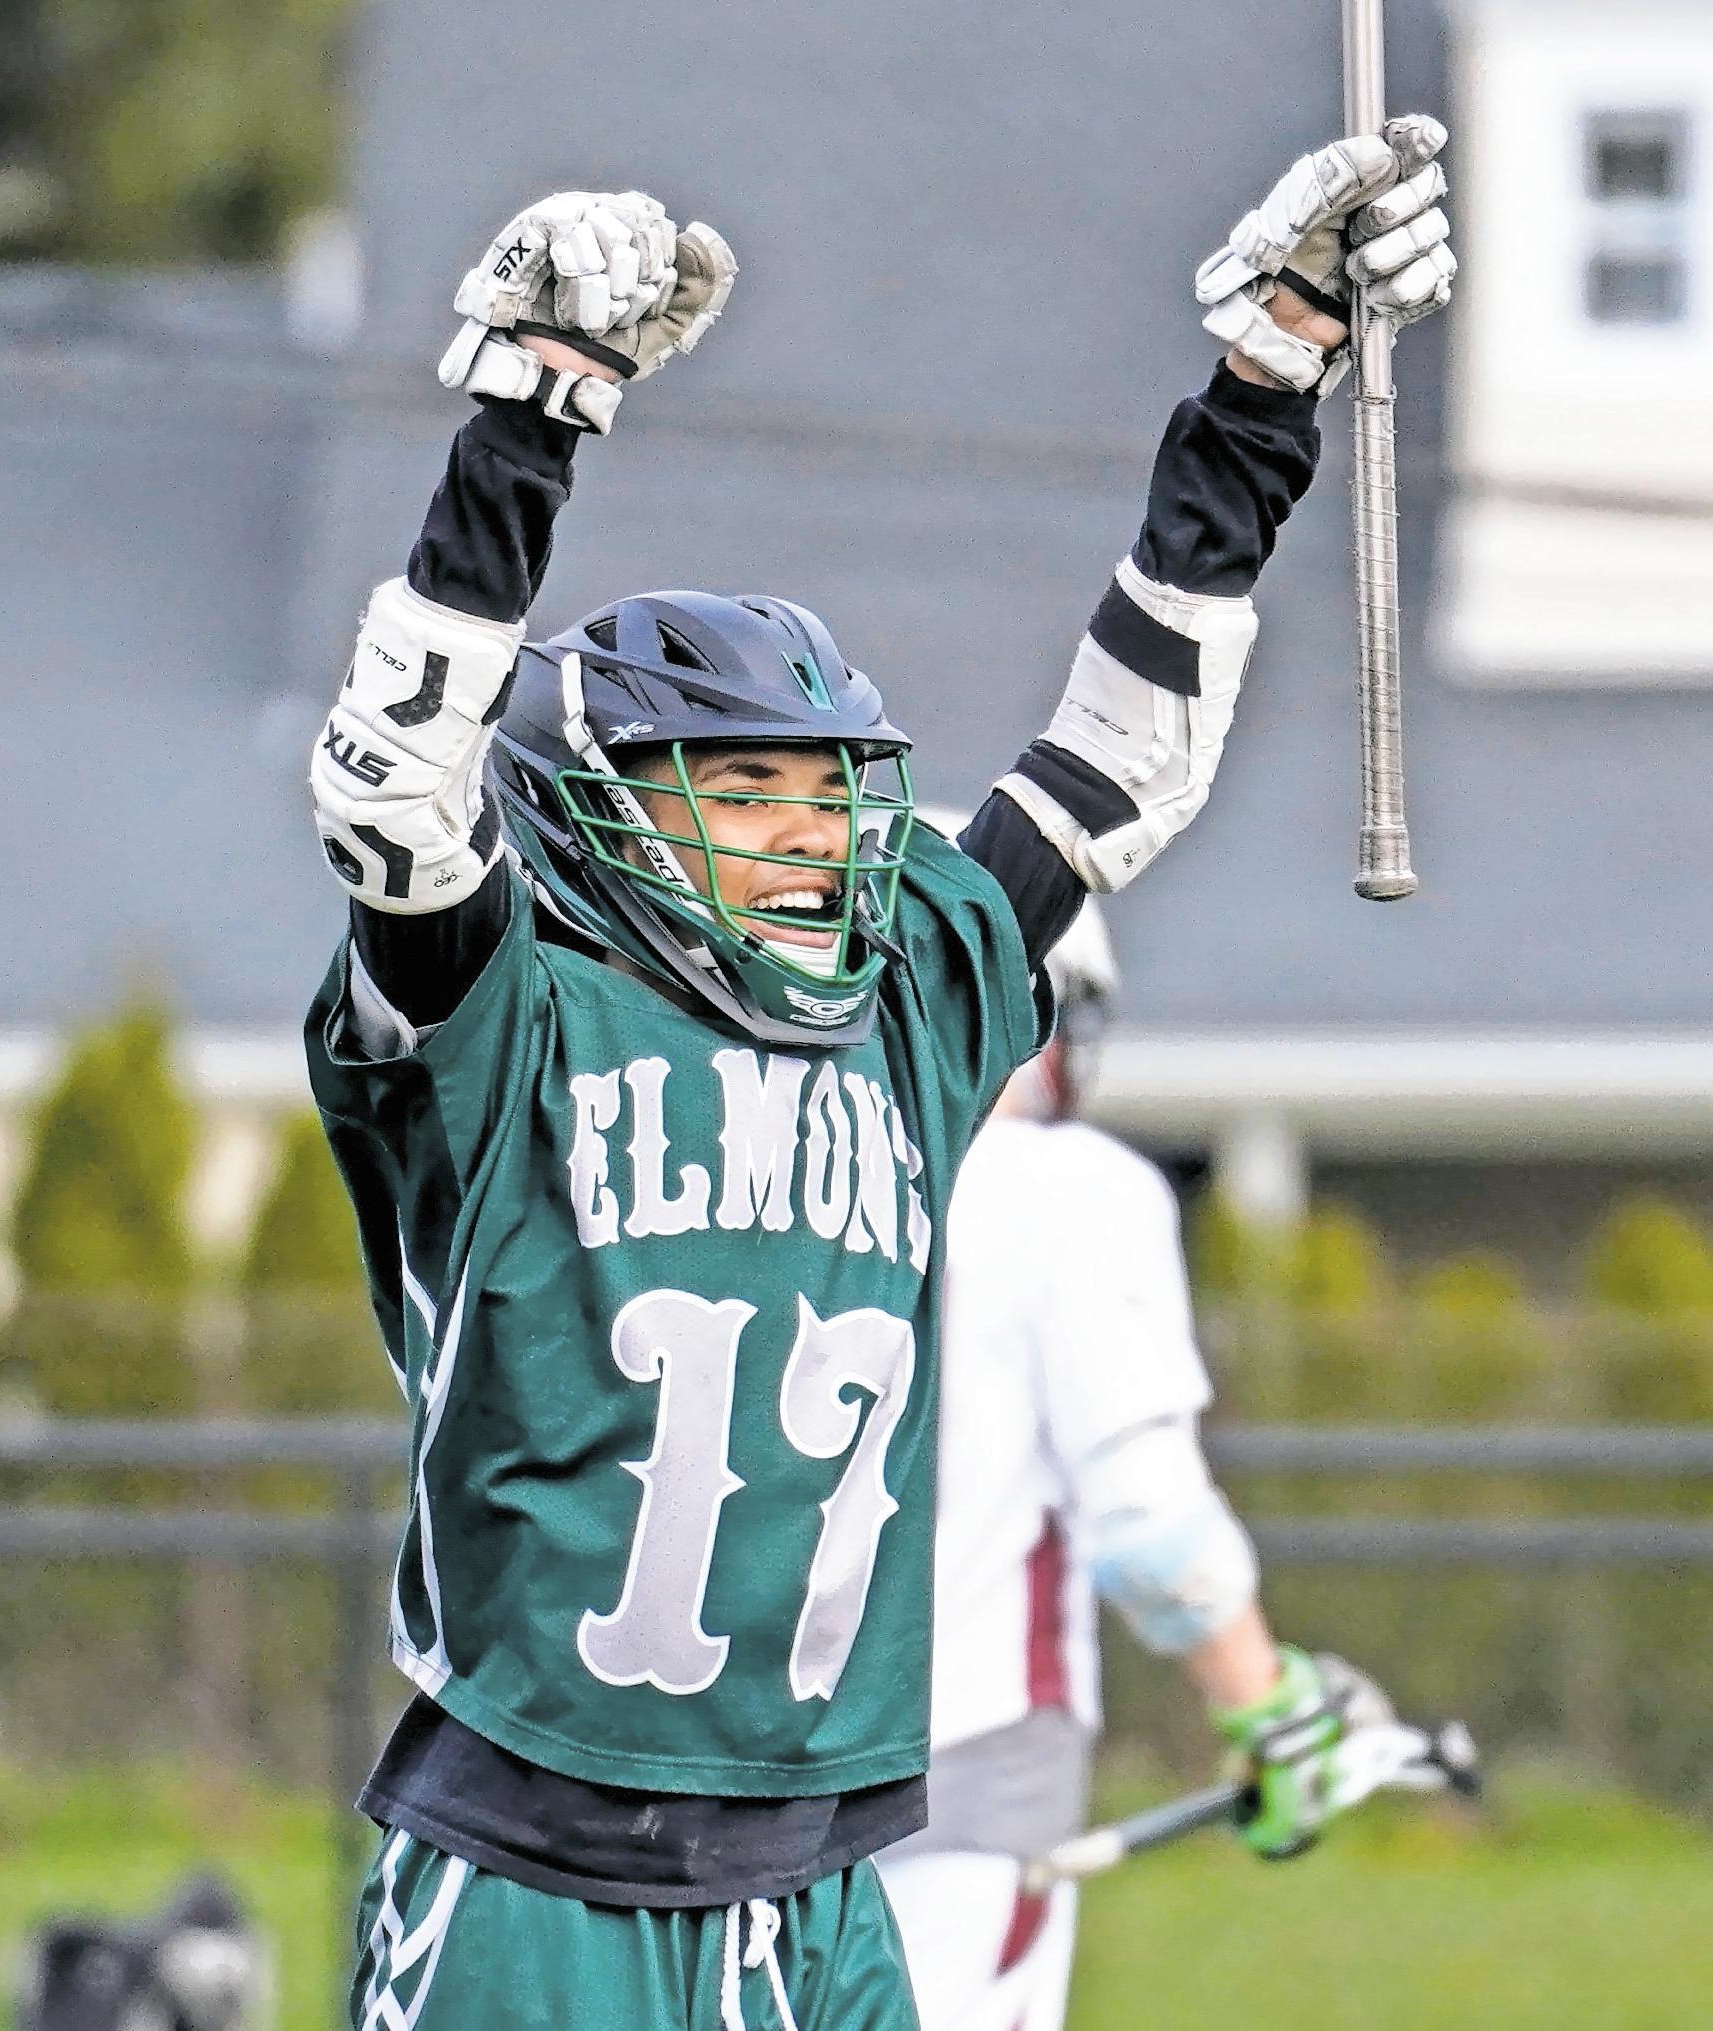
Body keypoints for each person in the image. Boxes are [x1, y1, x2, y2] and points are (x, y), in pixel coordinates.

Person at [303, 132, 1455, 2031]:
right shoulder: (506, 1023)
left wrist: (1272, 365)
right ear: (599, 809)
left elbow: (1123, 758)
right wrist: (533, 413)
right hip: (536, 1862)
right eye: (744, 788)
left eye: (828, 791)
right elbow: (392, 794)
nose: (810, 837)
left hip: (818, 1871)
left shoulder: (904, 1014)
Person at [875, 902, 1373, 2031]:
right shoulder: (1059, 1190)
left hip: (683, 1798)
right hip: (954, 1769)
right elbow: (1151, 1530)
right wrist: (1267, 1703)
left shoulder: (722, 1165)